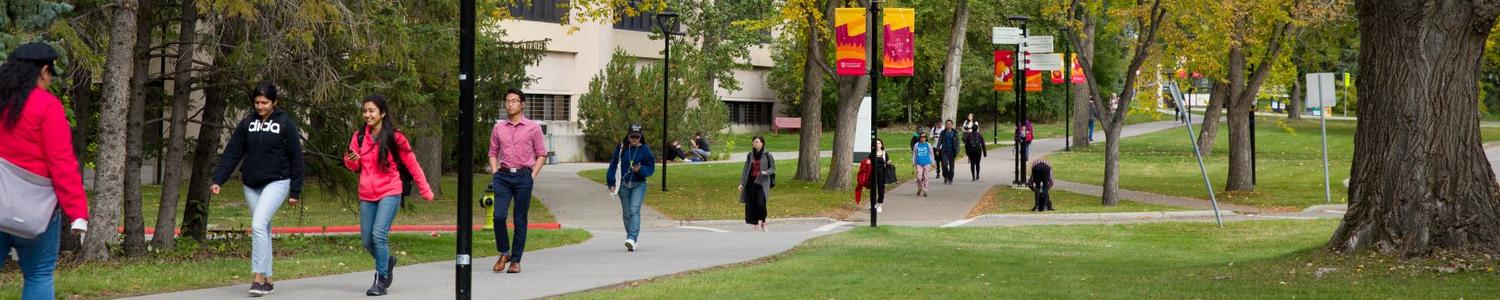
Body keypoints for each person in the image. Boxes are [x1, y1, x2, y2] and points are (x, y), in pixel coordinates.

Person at [0, 42, 89, 300]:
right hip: (35, 212)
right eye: (50, 75)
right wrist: (77, 213)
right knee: (39, 273)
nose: (49, 81)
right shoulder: (47, 106)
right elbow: (61, 163)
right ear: (44, 70)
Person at [210, 82, 305, 297]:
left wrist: (295, 191)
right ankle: (269, 281)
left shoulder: (285, 123)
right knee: (264, 230)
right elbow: (232, 152)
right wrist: (219, 179)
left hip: (278, 181)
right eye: (257, 102)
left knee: (258, 225)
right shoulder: (247, 124)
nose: (260, 106)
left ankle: (258, 278)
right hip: (251, 184)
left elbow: (296, 158)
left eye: (265, 102)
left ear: (274, 102)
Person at [343, 94, 435, 296]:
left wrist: (425, 189)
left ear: (382, 113)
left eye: (371, 111)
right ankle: (388, 260)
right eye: (365, 111)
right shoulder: (358, 136)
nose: (367, 114)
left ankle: (381, 278)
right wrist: (352, 160)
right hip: (367, 193)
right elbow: (352, 165)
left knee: (378, 235)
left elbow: (413, 165)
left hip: (390, 190)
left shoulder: (396, 137)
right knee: (367, 241)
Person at [488, 89, 548, 274]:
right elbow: (492, 152)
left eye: (514, 101)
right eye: (507, 101)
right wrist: (495, 171)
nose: (510, 104)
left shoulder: (533, 128)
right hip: (503, 177)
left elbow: (541, 154)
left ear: (522, 104)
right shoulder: (499, 128)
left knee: (520, 219)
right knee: (498, 217)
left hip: (523, 177)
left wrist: (532, 176)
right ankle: (504, 252)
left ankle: (515, 260)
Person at [606, 125, 655, 251]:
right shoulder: (621, 148)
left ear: (641, 137)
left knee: (634, 210)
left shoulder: (645, 150)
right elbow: (613, 165)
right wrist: (611, 182)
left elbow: (651, 168)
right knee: (627, 213)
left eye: (637, 137)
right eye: (632, 137)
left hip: (639, 184)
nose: (634, 139)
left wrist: (640, 170)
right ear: (628, 136)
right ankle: (631, 238)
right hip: (623, 185)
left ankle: (632, 238)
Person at [738, 136, 775, 231]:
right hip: (751, 182)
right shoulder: (750, 155)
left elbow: (772, 169)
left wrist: (766, 172)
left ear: (762, 143)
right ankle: (755, 223)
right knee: (752, 203)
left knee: (761, 203)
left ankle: (763, 221)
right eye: (754, 142)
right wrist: (742, 183)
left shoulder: (767, 155)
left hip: (762, 182)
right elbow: (746, 169)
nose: (755, 144)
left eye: (757, 142)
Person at [938, 120, 959, 184]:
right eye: (947, 124)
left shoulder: (955, 132)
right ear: (945, 125)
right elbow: (939, 141)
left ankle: (950, 178)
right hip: (944, 151)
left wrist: (957, 150)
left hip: (952, 151)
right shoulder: (943, 132)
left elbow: (957, 142)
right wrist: (937, 149)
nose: (948, 125)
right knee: (944, 164)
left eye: (949, 124)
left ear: (952, 125)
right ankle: (946, 177)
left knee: (951, 166)